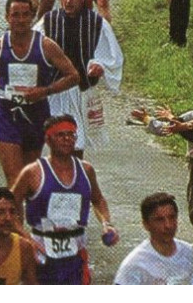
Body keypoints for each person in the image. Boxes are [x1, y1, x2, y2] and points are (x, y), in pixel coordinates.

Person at [0, 0, 79, 185]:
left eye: (25, 15)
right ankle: (15, 215)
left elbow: (73, 76)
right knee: (14, 178)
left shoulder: (46, 46)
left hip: (36, 114)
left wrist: (45, 91)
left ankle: (28, 214)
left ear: (32, 17)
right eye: (15, 15)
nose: (20, 20)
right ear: (7, 17)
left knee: (30, 180)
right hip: (6, 113)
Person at [12, 114, 118, 285]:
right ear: (48, 139)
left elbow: (98, 200)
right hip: (41, 251)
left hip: (76, 253)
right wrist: (25, 238)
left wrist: (106, 223)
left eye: (71, 135)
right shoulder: (33, 172)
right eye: (60, 135)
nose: (67, 139)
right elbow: (8, 207)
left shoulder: (86, 170)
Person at [36, 0, 124, 153]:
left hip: (81, 92)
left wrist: (100, 66)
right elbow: (33, 49)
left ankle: (75, 178)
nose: (68, 1)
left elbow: (110, 56)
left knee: (75, 143)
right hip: (54, 91)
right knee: (53, 143)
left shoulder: (96, 23)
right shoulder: (49, 21)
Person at [114, 192, 193, 285]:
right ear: (146, 224)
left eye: (172, 217)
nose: (168, 225)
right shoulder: (135, 264)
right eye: (159, 220)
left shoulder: (187, 251)